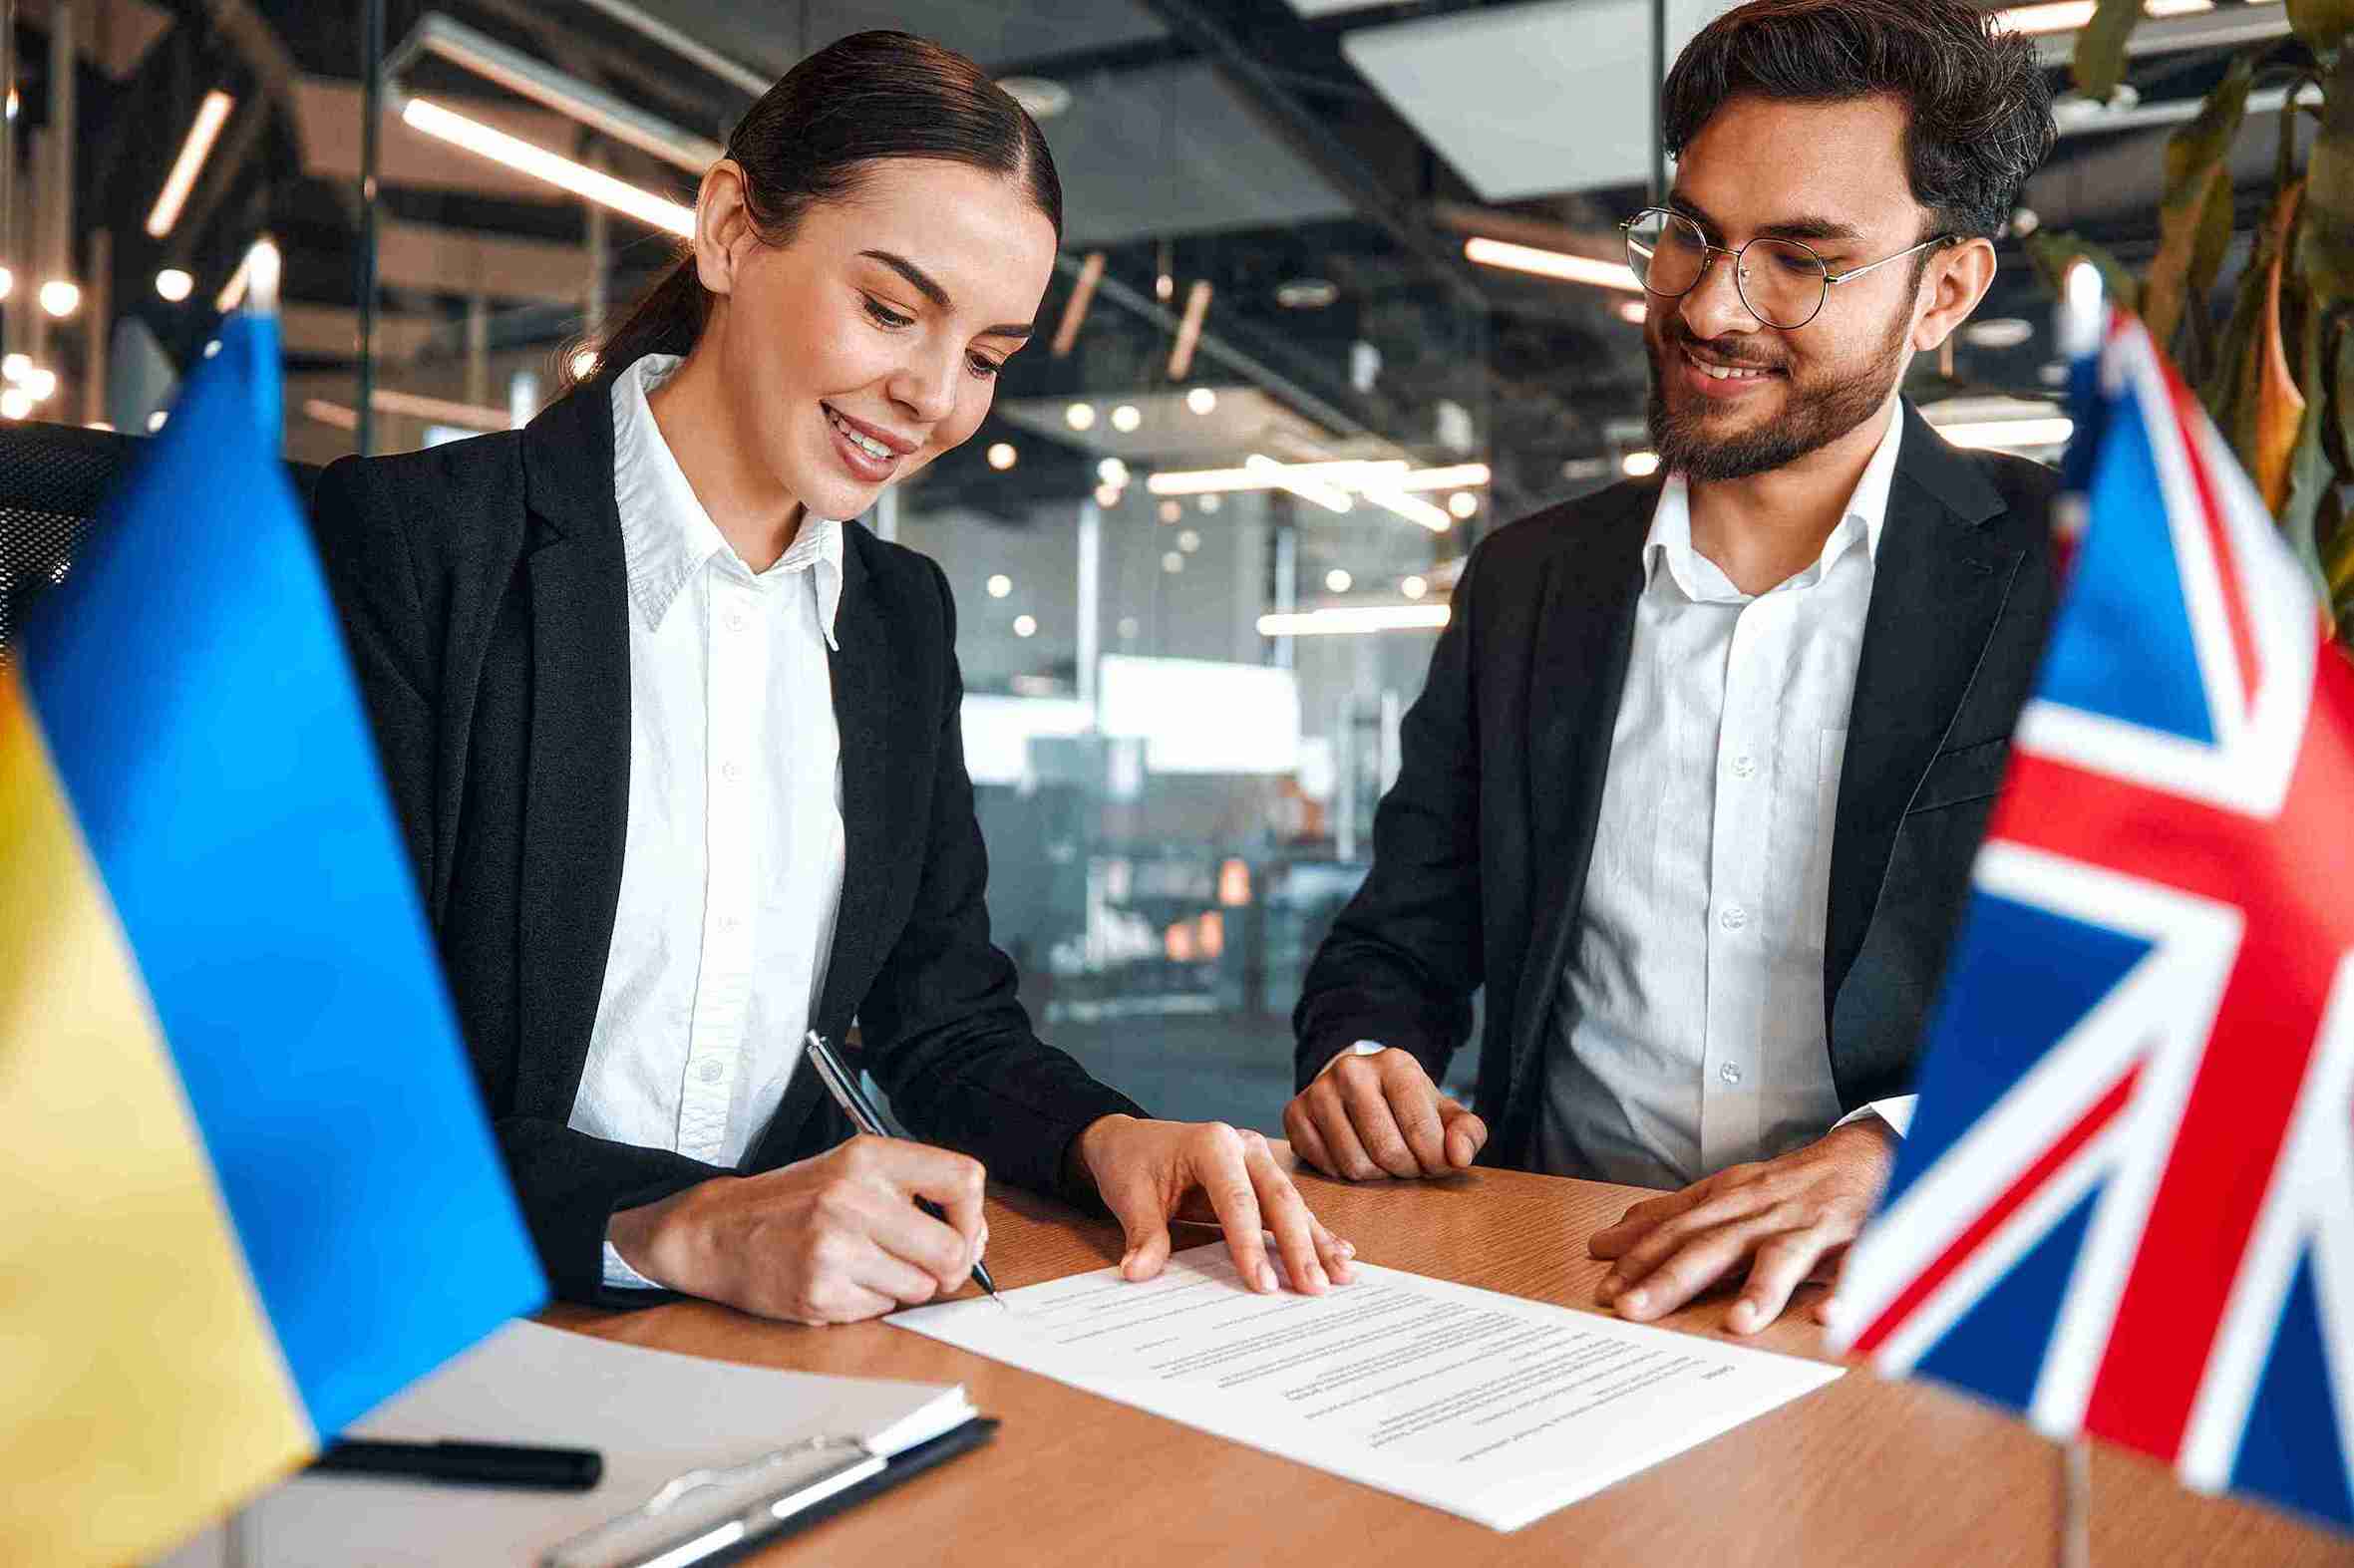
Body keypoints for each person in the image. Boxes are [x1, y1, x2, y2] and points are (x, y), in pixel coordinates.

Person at [311, 30, 1352, 1324]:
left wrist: (1108, 1138)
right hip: (442, 1325)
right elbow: (324, 1077)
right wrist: (673, 1224)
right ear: (734, 234)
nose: (932, 397)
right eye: (890, 308)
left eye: (986, 355)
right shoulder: (419, 550)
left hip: (775, 1343)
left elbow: (942, 1017)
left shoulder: (900, 621)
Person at [1285, 0, 2059, 1334]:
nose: (1707, 305)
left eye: (1801, 260)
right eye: (1693, 233)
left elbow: (2179, 1000)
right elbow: (1402, 929)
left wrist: (1899, 1149)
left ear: (1944, 288)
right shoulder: (1526, 581)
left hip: (1898, 1302)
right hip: (1559, 1280)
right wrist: (1364, 1053)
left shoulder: (2068, 577)